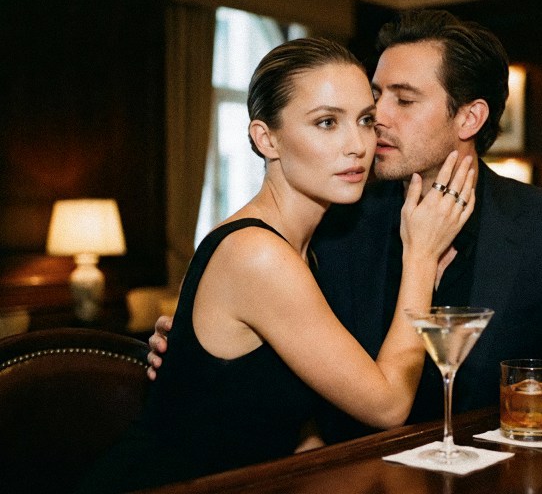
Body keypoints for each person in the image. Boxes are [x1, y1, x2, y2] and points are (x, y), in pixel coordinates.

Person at [149, 10, 542, 447]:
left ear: (469, 118)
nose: (376, 117)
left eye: (403, 100)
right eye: (374, 98)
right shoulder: (335, 212)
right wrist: (206, 352)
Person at [79, 37, 476, 492]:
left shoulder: (305, 247)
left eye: (365, 120)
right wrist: (421, 256)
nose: (358, 145)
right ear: (266, 138)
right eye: (326, 122)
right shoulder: (258, 254)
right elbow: (388, 406)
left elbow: (283, 422)